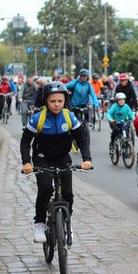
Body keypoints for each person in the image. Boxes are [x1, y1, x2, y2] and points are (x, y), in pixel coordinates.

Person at [20, 81, 92, 243]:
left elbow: (82, 138)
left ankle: (66, 221)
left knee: (68, 194)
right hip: (42, 158)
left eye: (60, 101)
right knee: (45, 189)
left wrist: (86, 159)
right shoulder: (38, 119)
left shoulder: (69, 117)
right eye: (52, 101)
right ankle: (39, 223)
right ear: (46, 101)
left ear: (64, 100)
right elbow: (25, 142)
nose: (56, 104)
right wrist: (26, 162)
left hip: (62, 158)